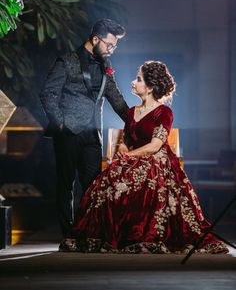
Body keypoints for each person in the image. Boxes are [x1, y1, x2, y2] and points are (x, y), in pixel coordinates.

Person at [72, 60, 228, 254]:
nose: (133, 82)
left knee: (144, 177)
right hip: (133, 157)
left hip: (156, 158)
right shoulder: (131, 112)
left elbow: (155, 145)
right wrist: (122, 148)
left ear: (151, 87)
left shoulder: (164, 112)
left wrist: (129, 155)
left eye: (138, 79)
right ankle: (114, 235)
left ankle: (143, 233)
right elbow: (127, 140)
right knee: (108, 180)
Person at [40, 19, 129, 251]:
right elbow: (48, 93)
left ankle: (86, 232)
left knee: (92, 187)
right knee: (66, 185)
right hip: (68, 132)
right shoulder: (67, 60)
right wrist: (59, 124)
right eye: (110, 44)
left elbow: (116, 99)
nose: (112, 49)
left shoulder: (105, 65)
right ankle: (68, 235)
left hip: (93, 135)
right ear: (95, 39)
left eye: (114, 46)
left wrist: (137, 122)